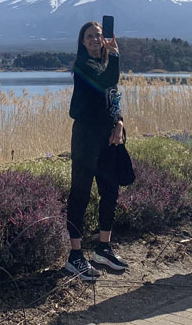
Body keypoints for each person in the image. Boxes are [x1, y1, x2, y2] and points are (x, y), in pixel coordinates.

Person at [65, 21, 127, 280]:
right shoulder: (83, 66)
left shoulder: (103, 64)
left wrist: (120, 123)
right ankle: (75, 256)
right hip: (86, 138)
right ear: (82, 41)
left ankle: (103, 247)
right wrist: (115, 56)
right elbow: (104, 83)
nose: (94, 39)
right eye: (89, 36)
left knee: (110, 191)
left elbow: (112, 95)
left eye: (98, 36)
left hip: (108, 138)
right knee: (80, 192)